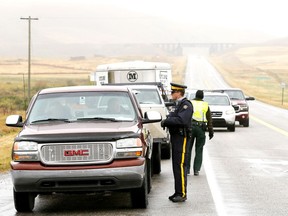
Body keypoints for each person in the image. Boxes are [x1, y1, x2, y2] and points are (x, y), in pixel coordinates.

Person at [161, 82, 193, 203]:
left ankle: (182, 193)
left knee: (180, 165)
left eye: (173, 92)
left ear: (179, 93)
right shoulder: (178, 105)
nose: (171, 94)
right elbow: (172, 116)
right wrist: (167, 120)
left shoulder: (186, 105)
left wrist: (167, 121)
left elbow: (181, 120)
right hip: (176, 137)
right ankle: (178, 191)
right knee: (176, 165)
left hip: (182, 138)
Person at [187, 90, 214, 176]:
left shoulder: (190, 103)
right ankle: (196, 170)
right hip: (200, 129)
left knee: (188, 149)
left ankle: (187, 169)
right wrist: (211, 131)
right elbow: (209, 119)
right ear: (202, 97)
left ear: (195, 95)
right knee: (199, 149)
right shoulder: (205, 105)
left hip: (190, 127)